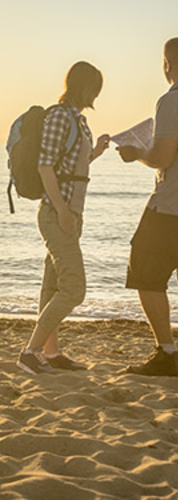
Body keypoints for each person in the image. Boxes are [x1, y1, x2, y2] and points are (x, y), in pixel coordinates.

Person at [17, 61, 110, 375]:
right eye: (94, 88)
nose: (96, 95)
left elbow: (71, 167)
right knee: (74, 289)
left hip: (70, 213)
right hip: (58, 214)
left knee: (53, 287)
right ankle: (30, 351)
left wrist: (95, 151)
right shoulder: (59, 116)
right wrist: (62, 211)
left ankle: (51, 353)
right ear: (83, 86)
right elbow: (45, 166)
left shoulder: (79, 121)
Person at [117, 38, 178, 377]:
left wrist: (136, 152)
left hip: (170, 207)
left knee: (147, 274)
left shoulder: (171, 102)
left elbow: (163, 157)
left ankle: (167, 353)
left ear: (167, 64)